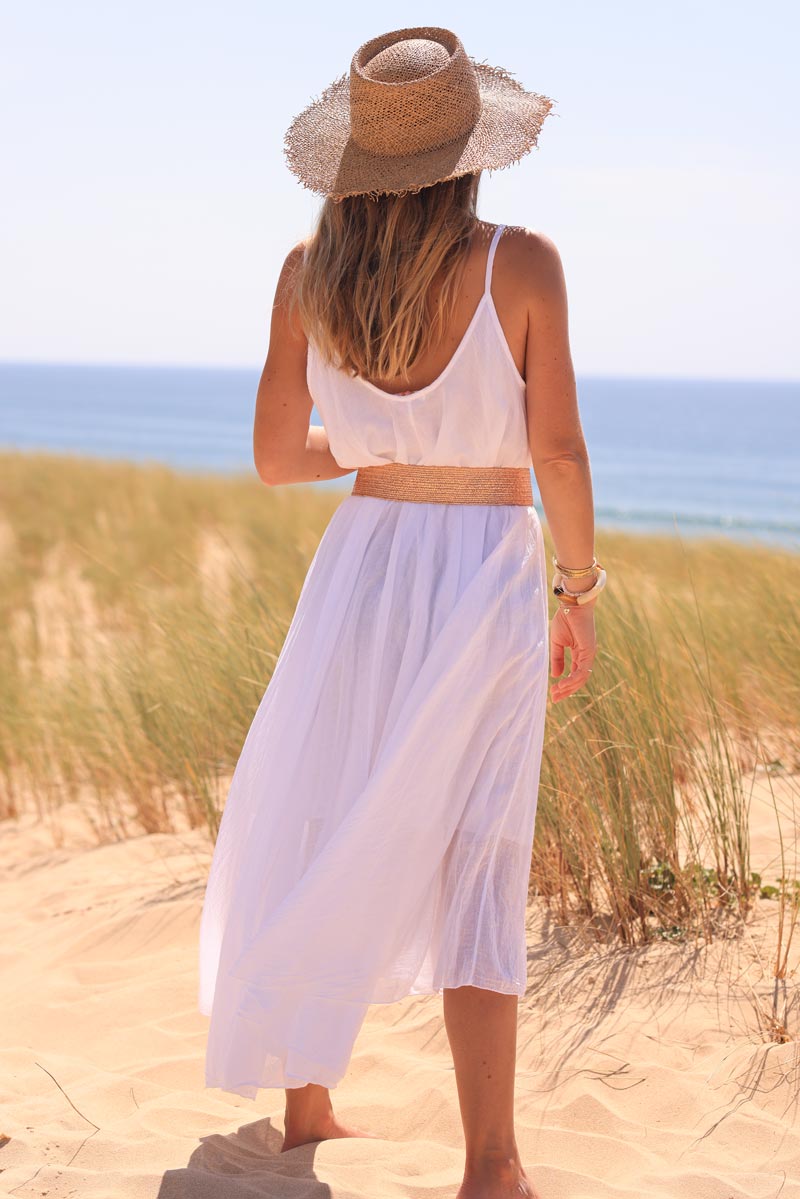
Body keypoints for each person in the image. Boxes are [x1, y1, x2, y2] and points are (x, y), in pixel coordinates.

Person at [198, 25, 605, 1199]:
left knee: (328, 803)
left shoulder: (306, 275)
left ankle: (306, 1101)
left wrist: (381, 441)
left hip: (363, 563)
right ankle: (492, 1161)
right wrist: (576, 590)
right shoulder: (519, 262)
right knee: (478, 849)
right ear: (471, 154)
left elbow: (279, 457)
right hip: (480, 568)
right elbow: (558, 451)